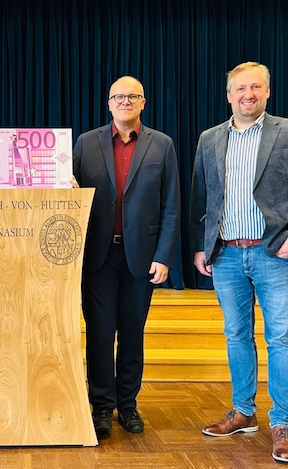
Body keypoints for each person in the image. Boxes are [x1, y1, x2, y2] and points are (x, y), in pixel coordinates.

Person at [190, 61, 288, 464]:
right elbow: (201, 196)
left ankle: (282, 423)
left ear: (266, 92)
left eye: (255, 87)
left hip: (274, 252)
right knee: (236, 334)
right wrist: (200, 245)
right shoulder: (209, 138)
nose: (247, 94)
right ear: (228, 96)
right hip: (226, 253)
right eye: (240, 89)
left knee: (281, 337)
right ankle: (243, 411)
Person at [73, 76, 181, 438]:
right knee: (100, 333)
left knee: (133, 332)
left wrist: (164, 255)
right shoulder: (86, 143)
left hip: (142, 257)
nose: (125, 101)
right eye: (118, 96)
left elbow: (171, 205)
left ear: (143, 102)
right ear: (109, 103)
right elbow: (70, 197)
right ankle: (102, 406)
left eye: (132, 96)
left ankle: (128, 405)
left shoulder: (162, 145)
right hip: (97, 256)